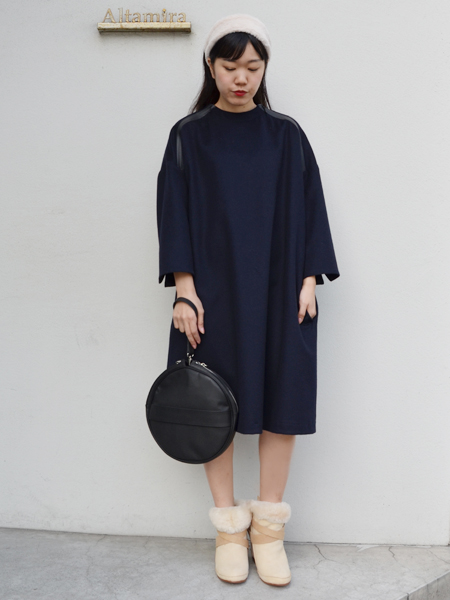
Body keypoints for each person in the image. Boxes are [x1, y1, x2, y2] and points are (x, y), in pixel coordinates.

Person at [156, 13, 340, 587]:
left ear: (264, 70)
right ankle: (230, 532)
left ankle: (268, 533)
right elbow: (173, 212)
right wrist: (185, 291)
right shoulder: (189, 135)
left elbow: (311, 205)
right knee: (211, 404)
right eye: (231, 66)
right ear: (210, 67)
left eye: (253, 67)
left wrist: (308, 279)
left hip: (281, 289)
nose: (242, 78)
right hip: (211, 293)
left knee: (283, 397)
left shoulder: (286, 135)